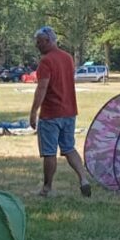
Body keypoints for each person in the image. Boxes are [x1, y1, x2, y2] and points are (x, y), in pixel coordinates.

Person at [28, 26, 91, 198]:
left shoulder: (46, 61)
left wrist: (34, 111)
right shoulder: (68, 58)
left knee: (49, 152)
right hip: (70, 111)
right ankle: (83, 179)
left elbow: (42, 88)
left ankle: (47, 188)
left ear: (48, 41)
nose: (37, 45)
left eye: (39, 42)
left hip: (51, 114)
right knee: (69, 148)